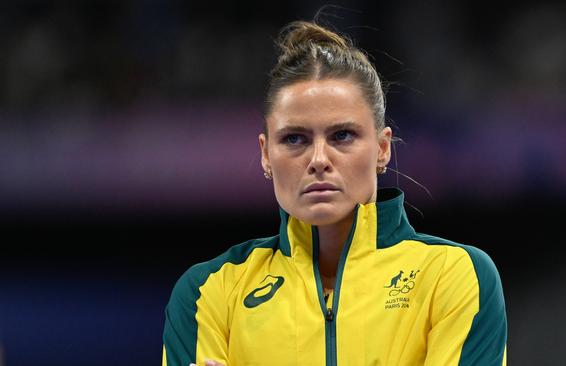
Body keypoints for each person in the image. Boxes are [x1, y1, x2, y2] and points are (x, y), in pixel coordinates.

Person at [162, 20, 507, 366]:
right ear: (266, 155)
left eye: (342, 136)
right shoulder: (207, 293)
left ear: (382, 148)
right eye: (294, 138)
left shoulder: (455, 276)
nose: (319, 160)